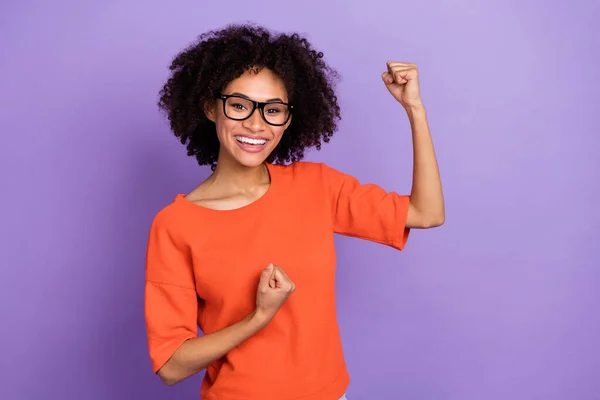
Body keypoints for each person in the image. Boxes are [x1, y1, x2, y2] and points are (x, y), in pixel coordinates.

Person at [144, 23, 444, 400]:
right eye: (239, 105)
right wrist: (259, 317)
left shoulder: (316, 186)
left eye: (272, 110)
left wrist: (415, 109)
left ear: (287, 119)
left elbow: (426, 213)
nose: (256, 124)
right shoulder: (176, 225)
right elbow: (171, 366)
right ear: (210, 107)